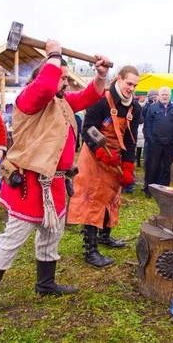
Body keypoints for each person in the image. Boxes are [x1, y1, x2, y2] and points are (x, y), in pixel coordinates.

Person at [0, 39, 107, 317]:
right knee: (13, 238)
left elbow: (89, 97)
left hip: (56, 183)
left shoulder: (61, 102)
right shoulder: (29, 100)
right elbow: (46, 85)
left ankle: (45, 282)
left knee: (51, 234)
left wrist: (100, 76)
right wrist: (54, 54)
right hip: (28, 183)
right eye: (62, 78)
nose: (66, 84)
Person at [67, 66, 141, 268]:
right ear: (119, 79)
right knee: (93, 199)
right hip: (94, 156)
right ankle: (90, 250)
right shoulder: (101, 100)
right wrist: (100, 153)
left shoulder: (135, 108)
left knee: (111, 197)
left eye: (135, 85)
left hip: (115, 158)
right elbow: (87, 129)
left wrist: (127, 166)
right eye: (129, 84)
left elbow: (130, 140)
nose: (131, 89)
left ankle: (104, 236)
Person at [143, 86, 173, 197]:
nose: (164, 96)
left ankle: (164, 189)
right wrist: (150, 139)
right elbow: (147, 125)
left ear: (170, 96)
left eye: (166, 94)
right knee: (153, 166)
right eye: (162, 94)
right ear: (159, 96)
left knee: (166, 167)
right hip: (154, 143)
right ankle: (149, 189)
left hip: (170, 144)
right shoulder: (152, 108)